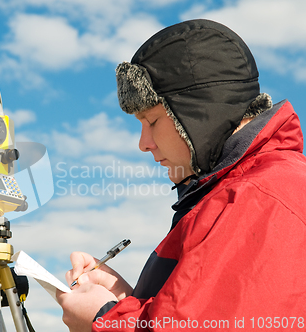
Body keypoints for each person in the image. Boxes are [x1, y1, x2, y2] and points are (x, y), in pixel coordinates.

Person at [56, 19, 306, 331]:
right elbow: (197, 316)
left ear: (201, 114)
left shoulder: (258, 198)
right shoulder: (241, 189)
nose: (143, 144)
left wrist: (104, 318)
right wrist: (123, 298)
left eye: (152, 120)